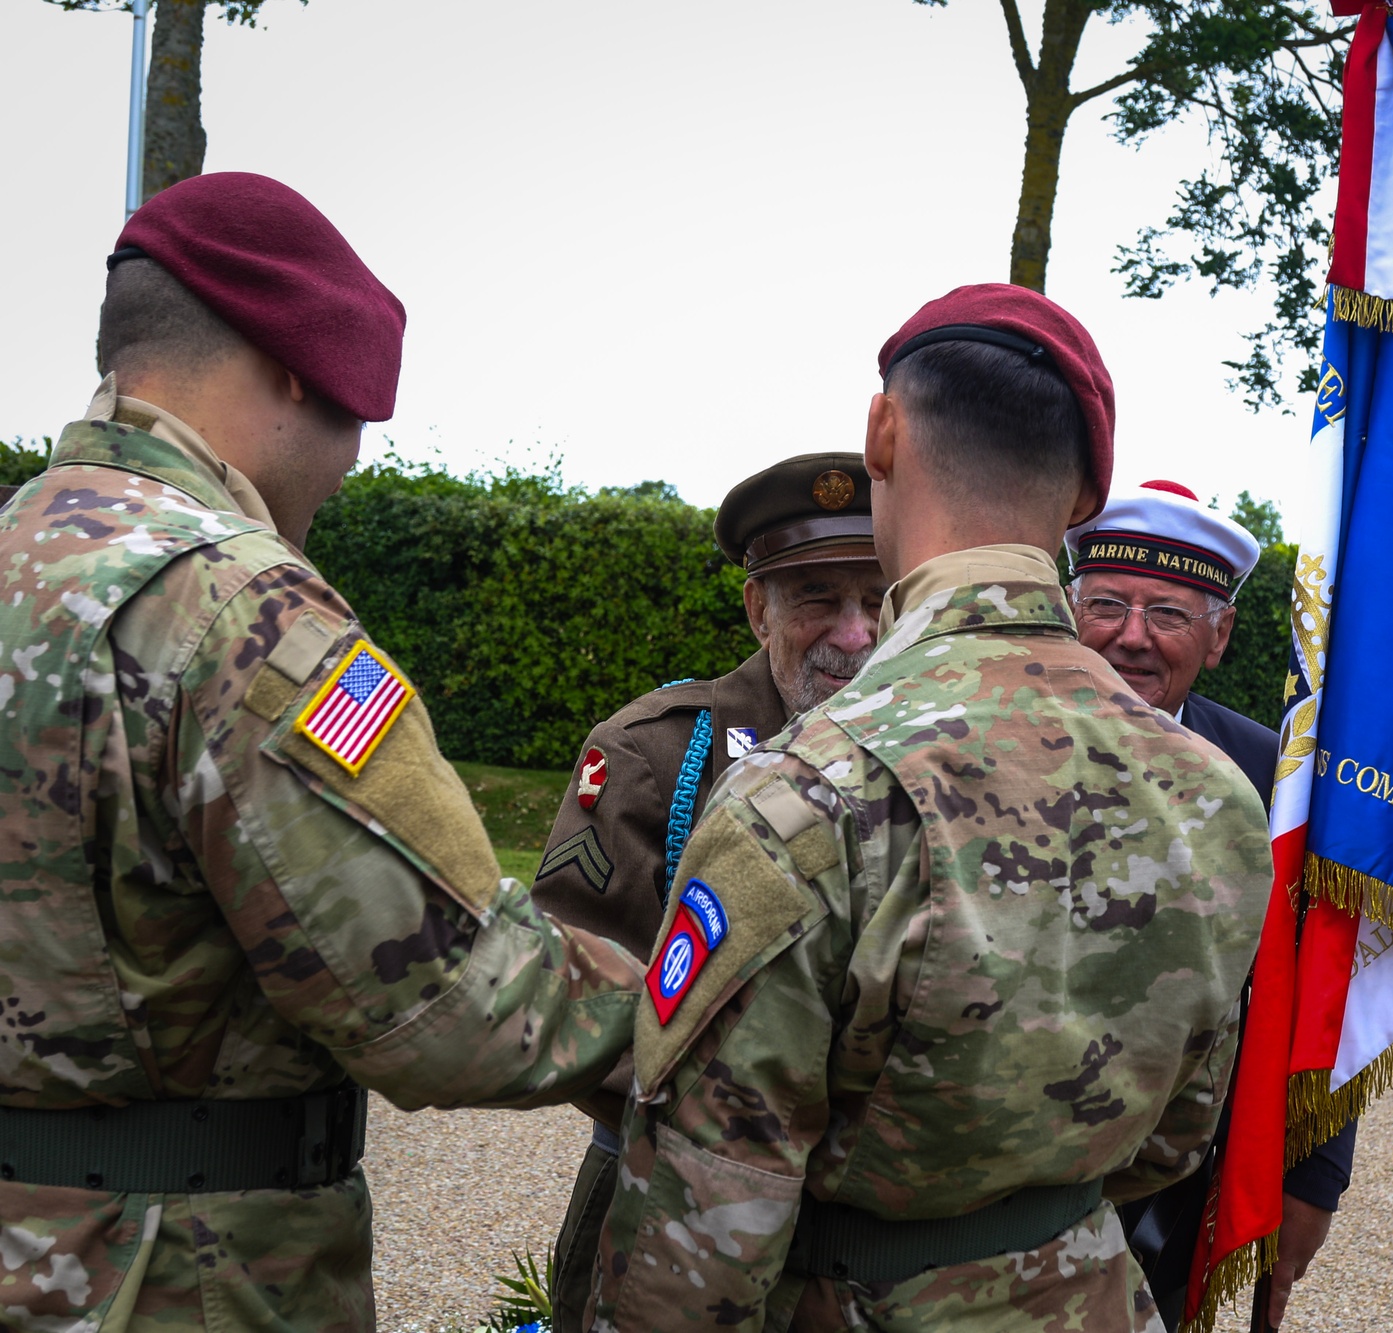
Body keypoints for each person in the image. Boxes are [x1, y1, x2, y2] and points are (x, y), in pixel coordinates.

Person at [0, 173, 641, 1331]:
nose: (345, 469)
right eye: (352, 422)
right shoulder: (236, 607)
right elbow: (447, 994)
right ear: (295, 369)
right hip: (177, 1279)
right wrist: (699, 1014)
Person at [581, 284, 1276, 1332]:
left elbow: (705, 1224)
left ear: (882, 431)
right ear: (1086, 493)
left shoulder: (805, 788)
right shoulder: (1214, 793)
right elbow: (1174, 1138)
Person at [535, 453, 886, 1333]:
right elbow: (569, 981)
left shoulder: (945, 761)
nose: (856, 633)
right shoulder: (656, 753)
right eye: (817, 599)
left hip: (871, 1242)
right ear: (756, 606)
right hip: (667, 1207)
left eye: (880, 598)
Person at [1066, 480, 1357, 1329]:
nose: (1129, 637)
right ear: (1064, 610)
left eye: (1166, 615)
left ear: (1220, 635)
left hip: (1179, 1187)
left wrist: (1309, 1177)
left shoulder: (1276, 780)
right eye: (1107, 604)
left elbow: (1319, 984)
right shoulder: (988, 740)